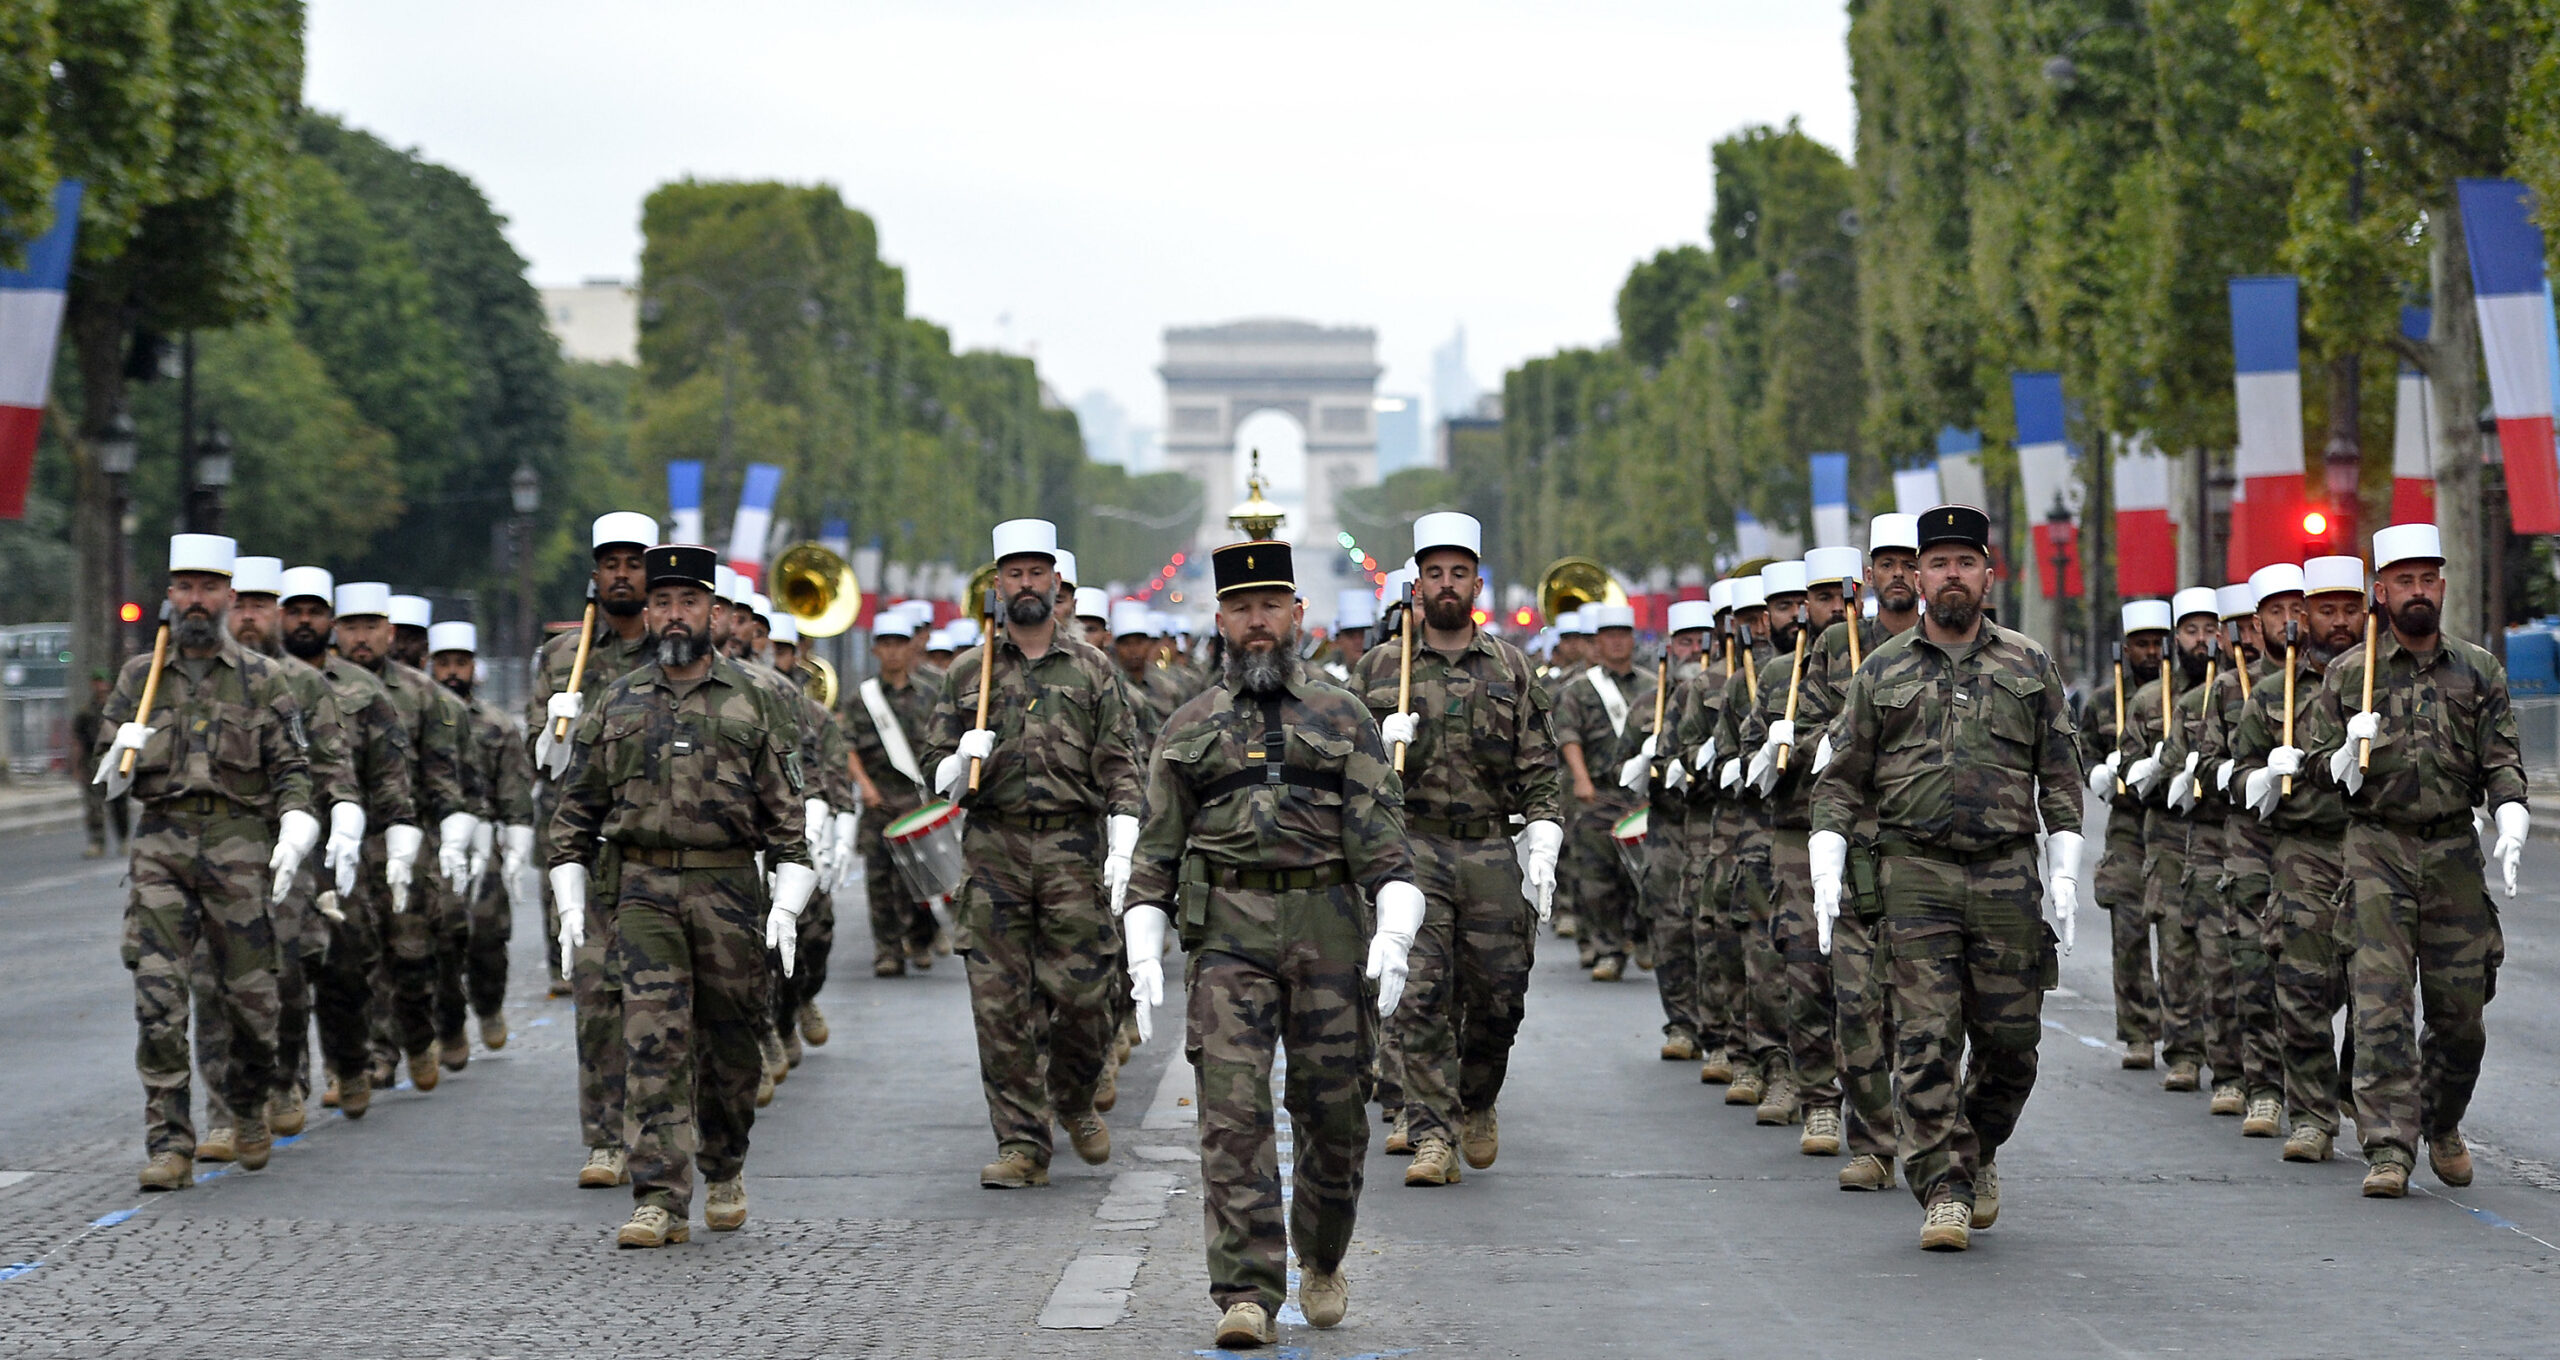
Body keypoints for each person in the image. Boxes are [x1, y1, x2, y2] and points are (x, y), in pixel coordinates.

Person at [1121, 535, 1423, 1348]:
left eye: (1270, 608)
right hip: (1229, 934)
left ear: (1298, 614)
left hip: (1329, 929)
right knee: (1232, 1116)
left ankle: (1322, 1256)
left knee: (1333, 1113)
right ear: (1219, 618)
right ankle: (1245, 1292)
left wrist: (1395, 928)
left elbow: (1387, 846)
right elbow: (1155, 854)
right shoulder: (1187, 727)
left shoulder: (1344, 716)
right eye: (1241, 610)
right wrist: (1142, 949)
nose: (1257, 624)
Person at [1810, 504, 2081, 1252]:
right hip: (1915, 876)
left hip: (2005, 879)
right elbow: (1840, 778)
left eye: (1966, 562)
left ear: (1989, 576)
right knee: (1925, 1040)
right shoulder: (1882, 670)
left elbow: (2060, 773)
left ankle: (1979, 1144)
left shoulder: (2029, 664)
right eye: (1938, 563)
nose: (1951, 575)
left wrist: (2064, 862)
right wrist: (1827, 859)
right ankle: (1945, 1188)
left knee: (2011, 1044)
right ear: (1918, 576)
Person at [548, 543, 816, 1247]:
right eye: (662, 602)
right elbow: (577, 807)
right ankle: (659, 1197)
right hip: (640, 891)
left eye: (687, 602)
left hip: (728, 887)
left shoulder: (756, 699)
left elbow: (790, 823)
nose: (672, 615)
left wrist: (786, 905)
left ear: (710, 611)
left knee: (731, 1045)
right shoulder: (618, 698)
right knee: (651, 1041)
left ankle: (725, 1166)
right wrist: (570, 899)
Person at [2296, 523, 2527, 1198]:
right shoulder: (2348, 674)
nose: (2418, 592)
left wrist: (2512, 816)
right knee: (2381, 1009)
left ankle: (2442, 1120)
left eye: (2428, 579)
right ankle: (2388, 1148)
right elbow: (2309, 769)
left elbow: (2502, 760)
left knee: (2461, 1014)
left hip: (2455, 850)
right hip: (2377, 848)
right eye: (2404, 581)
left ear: (2443, 587)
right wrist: (2342, 754)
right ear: (2381, 592)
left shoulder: (2478, 669)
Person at [920, 519, 1144, 1190]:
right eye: (1013, 573)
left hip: (1075, 847)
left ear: (1055, 582)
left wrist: (1126, 840)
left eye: (1035, 572)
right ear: (998, 585)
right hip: (995, 849)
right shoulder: (968, 671)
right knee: (999, 1006)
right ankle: (1021, 1141)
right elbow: (932, 773)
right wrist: (960, 760)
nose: (1025, 584)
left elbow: (1121, 761)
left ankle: (1073, 1099)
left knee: (1084, 997)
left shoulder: (1093, 669)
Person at [92, 534, 317, 1191]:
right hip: (161, 845)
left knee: (251, 1003)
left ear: (226, 595)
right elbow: (106, 774)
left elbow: (293, 770)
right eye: (184, 587)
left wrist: (296, 825)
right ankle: (169, 1144)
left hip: (239, 846)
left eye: (208, 587)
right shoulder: (142, 676)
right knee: (158, 996)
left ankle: (247, 1103)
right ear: (170, 595)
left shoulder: (260, 677)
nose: (196, 599)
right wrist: (115, 751)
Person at [1356, 512, 1562, 1187]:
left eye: (1459, 572)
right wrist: (1380, 751)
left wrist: (1545, 836)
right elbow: (1347, 774)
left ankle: (1476, 1099)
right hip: (1410, 849)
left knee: (1498, 995)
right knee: (1417, 995)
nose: (1447, 584)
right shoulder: (1380, 668)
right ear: (1417, 584)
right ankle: (1431, 1133)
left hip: (1487, 850)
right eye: (1434, 573)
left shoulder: (1509, 665)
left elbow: (1538, 766)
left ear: (1477, 581)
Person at [203, 556, 359, 1159]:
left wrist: (339, 820)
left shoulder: (304, 684)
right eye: (241, 604)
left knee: (286, 976)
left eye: (262, 606)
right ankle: (225, 1112)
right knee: (211, 985)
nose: (249, 617)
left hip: (285, 854)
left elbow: (332, 769)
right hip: (214, 857)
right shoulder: (195, 679)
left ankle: (287, 1071)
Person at [529, 512, 663, 1188]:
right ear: (594, 574)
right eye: (609, 563)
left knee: (660, 1003)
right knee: (596, 998)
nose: (620, 574)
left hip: (654, 849)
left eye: (632, 563)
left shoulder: (673, 649)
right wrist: (550, 739)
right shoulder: (562, 659)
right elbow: (542, 757)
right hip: (587, 852)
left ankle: (656, 1128)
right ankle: (605, 1138)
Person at [1799, 514, 1923, 1188]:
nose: (1900, 573)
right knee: (1856, 1000)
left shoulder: (1947, 648)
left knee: (1926, 1008)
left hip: (1928, 854)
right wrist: (1821, 742)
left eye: (1912, 561)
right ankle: (1874, 1141)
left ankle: (1933, 1133)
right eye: (1888, 562)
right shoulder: (1836, 649)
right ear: (1868, 574)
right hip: (1858, 851)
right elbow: (1813, 728)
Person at [275, 568, 416, 1123]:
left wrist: (390, 835)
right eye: (295, 609)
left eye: (314, 610)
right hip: (271, 846)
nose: (304, 619)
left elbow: (387, 772)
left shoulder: (362, 689)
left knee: (344, 966)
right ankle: (285, 1080)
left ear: (325, 620)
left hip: (341, 847)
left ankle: (351, 1061)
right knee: (281, 967)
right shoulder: (259, 681)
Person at [2229, 556, 2357, 1161]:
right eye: (2324, 610)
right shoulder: (2273, 691)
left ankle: (2373, 1101)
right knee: (2301, 986)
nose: (2339, 622)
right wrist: (2259, 777)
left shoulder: (2392, 678)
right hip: (2302, 850)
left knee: (2376, 992)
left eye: (2349, 609)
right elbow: (2236, 769)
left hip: (2379, 844)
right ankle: (2310, 1113)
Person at [1736, 547, 1859, 1150]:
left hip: (1871, 837)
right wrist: (1770, 753)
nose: (1832, 608)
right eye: (1821, 598)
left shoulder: (1887, 662)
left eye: (1841, 595)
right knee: (1805, 968)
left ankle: (1875, 1098)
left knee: (1867, 979)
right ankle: (1817, 1097)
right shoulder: (1780, 677)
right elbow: (1747, 768)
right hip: (1797, 837)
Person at [333, 582, 472, 1091]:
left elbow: (442, 778)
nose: (361, 638)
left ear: (388, 632)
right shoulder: (315, 688)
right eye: (351, 627)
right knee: (350, 953)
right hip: (340, 838)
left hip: (406, 837)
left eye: (371, 627)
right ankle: (370, 1055)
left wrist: (449, 839)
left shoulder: (422, 694)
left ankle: (416, 1036)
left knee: (410, 953)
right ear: (337, 631)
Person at [2125, 589, 2220, 1094]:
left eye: (2209, 629)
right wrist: (2153, 770)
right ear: (2175, 638)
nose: (2200, 640)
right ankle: (2183, 1049)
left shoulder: (2234, 690)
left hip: (2220, 833)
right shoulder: (2149, 699)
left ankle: (2235, 1051)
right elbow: (2126, 770)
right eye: (2190, 631)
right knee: (2178, 948)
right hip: (2166, 836)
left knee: (2221, 949)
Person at [427, 620, 535, 1060]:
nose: (453, 672)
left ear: (475, 668)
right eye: (444, 663)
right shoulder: (418, 719)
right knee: (440, 937)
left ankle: (489, 1005)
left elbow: (513, 787)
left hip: (482, 836)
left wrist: (516, 838)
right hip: (431, 839)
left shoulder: (497, 725)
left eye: (461, 663)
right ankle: (450, 1026)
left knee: (489, 934)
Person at [2085, 599, 2170, 1069]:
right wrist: (2098, 772)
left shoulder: (2183, 695)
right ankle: (2138, 1030)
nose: (2151, 653)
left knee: (2181, 935)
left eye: (2158, 644)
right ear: (2126, 647)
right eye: (2142, 644)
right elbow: (2082, 749)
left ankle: (2186, 1032)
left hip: (2176, 823)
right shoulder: (2102, 700)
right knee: (2130, 929)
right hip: (2126, 827)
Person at [1551, 602, 1654, 980]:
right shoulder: (1579, 689)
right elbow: (1568, 736)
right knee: (1597, 878)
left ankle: (1641, 937)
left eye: (1622, 635)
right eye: (1608, 636)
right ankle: (1607, 949)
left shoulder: (1652, 686)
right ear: (1598, 642)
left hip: (1641, 796)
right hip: (1597, 793)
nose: (1616, 642)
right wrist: (1581, 779)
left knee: (1645, 876)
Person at [847, 609, 942, 976]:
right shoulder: (862, 698)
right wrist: (865, 786)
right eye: (884, 645)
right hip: (879, 802)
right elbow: (848, 746)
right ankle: (887, 950)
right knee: (879, 879)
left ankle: (919, 939)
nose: (892, 652)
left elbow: (941, 746)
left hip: (918, 801)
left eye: (899, 645)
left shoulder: (929, 696)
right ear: (875, 650)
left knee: (918, 879)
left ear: (910, 648)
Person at [73, 669, 129, 857]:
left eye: (102, 681)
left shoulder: (120, 710)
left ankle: (124, 839)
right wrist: (76, 766)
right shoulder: (86, 712)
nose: (100, 686)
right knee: (93, 805)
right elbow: (78, 741)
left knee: (119, 804)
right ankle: (97, 842)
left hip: (115, 761)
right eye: (96, 682)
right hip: (92, 763)